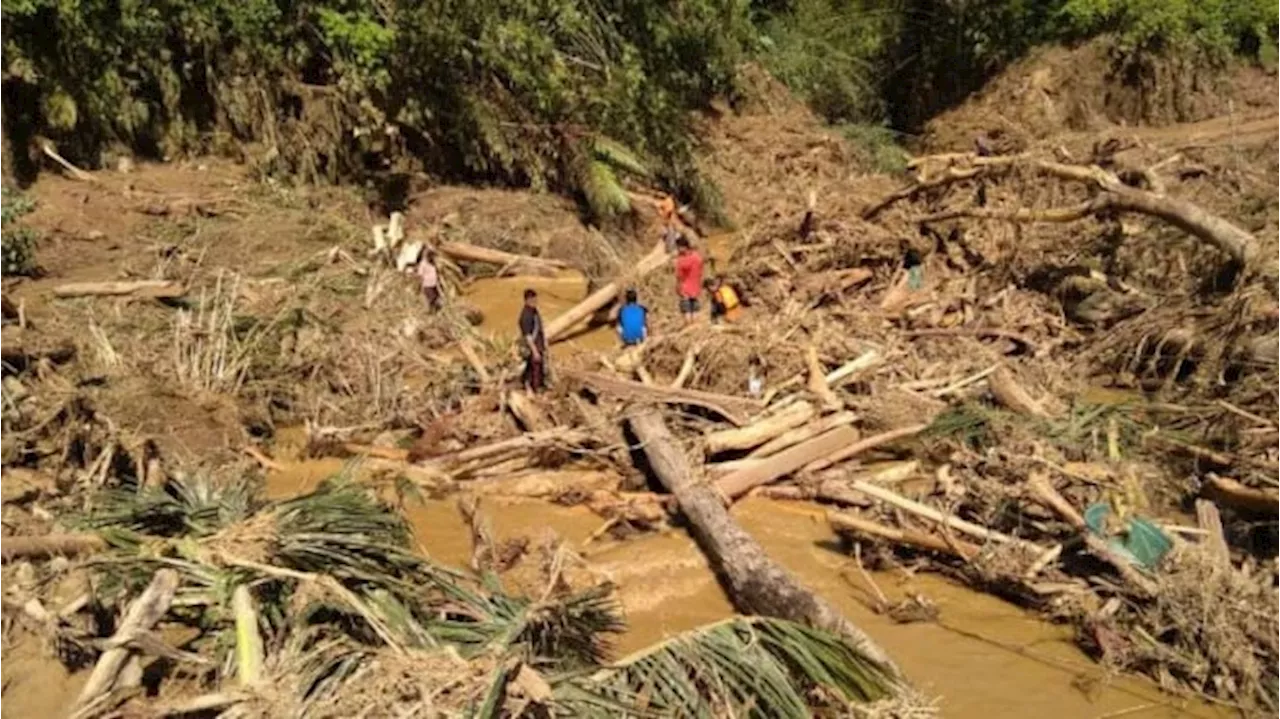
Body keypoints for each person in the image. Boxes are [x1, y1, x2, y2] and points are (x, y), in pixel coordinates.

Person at [518, 289, 547, 393]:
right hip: (533, 346)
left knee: (532, 367)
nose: (535, 302)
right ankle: (536, 389)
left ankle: (526, 384)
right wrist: (535, 351)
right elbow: (528, 336)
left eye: (535, 299)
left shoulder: (534, 311)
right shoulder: (526, 316)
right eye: (533, 300)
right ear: (527, 300)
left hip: (538, 344)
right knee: (536, 369)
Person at [673, 237, 704, 325]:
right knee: (695, 311)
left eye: (678, 247)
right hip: (696, 288)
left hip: (685, 289)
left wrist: (677, 287)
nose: (678, 250)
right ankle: (695, 330)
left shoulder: (682, 260)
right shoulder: (697, 257)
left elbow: (679, 276)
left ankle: (689, 328)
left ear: (683, 247)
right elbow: (701, 271)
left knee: (686, 311)